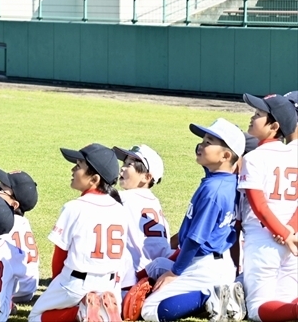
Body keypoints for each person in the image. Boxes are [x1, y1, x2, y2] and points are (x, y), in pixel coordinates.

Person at [141, 118, 245, 322]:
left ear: (225, 155)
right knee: (156, 265)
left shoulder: (212, 191)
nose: (200, 145)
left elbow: (195, 240)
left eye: (208, 142)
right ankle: (217, 291)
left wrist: (175, 273)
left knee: (150, 310)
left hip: (204, 265)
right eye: (203, 140)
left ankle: (209, 296)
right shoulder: (226, 181)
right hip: (217, 261)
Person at [29, 143, 127, 322]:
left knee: (35, 317)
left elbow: (60, 256)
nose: (73, 170)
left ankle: (80, 312)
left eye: (79, 166)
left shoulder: (74, 207)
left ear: (94, 179)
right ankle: (101, 314)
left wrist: (55, 285)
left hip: (77, 283)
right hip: (109, 284)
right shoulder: (120, 209)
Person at [237, 94, 298, 322]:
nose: (252, 118)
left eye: (259, 115)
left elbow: (259, 206)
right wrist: (290, 231)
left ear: (274, 126)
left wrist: (282, 233)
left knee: (257, 309)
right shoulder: (295, 154)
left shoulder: (254, 158)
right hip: (293, 239)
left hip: (264, 240)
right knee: (285, 302)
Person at [112, 145, 171, 291]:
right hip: (162, 269)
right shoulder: (155, 202)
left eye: (129, 164)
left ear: (146, 177)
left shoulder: (123, 198)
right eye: (124, 163)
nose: (122, 168)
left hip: (135, 275)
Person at [0, 165, 40, 304]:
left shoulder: (2, 224)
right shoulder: (22, 222)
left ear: (14, 204)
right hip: (27, 287)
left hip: (14, 289)